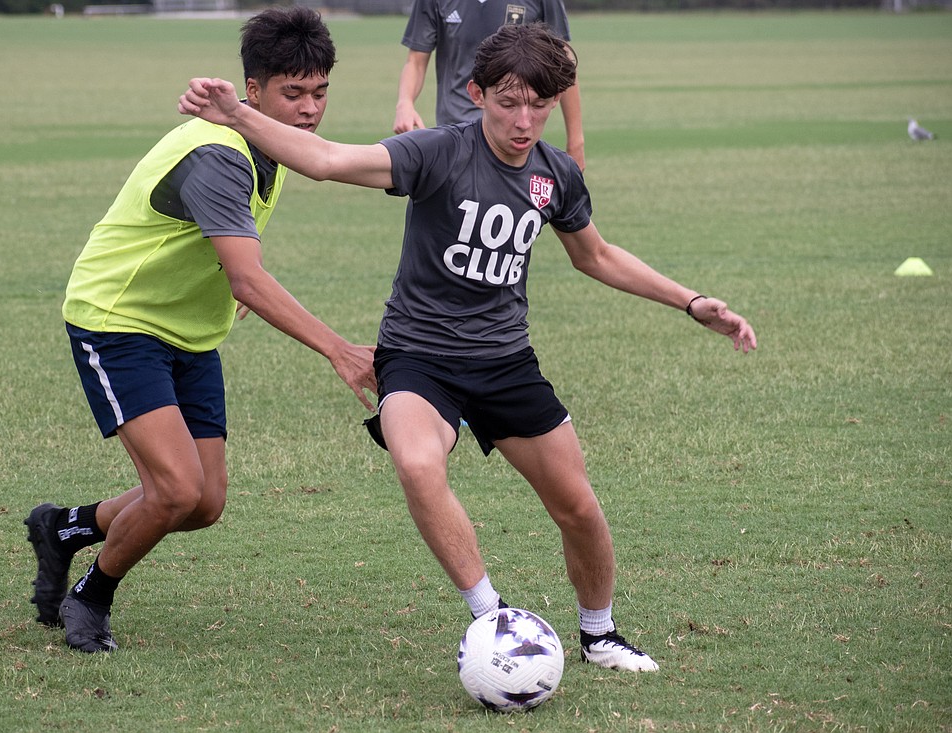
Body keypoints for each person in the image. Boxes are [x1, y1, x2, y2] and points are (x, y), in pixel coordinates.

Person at [178, 22, 757, 672]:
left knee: (580, 507)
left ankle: (600, 634)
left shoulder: (554, 174)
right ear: (475, 93)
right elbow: (327, 160)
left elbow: (596, 256)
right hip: (418, 357)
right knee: (419, 463)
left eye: (539, 104)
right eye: (508, 102)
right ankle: (494, 618)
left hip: (506, 362)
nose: (524, 119)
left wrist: (690, 301)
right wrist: (235, 113)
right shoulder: (437, 153)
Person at [24, 7, 376, 653]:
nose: (308, 109)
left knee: (203, 501)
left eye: (319, 92)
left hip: (188, 329)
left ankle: (65, 528)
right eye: (291, 93)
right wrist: (339, 349)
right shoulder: (219, 153)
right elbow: (246, 275)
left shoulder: (270, 144)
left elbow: (235, 250)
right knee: (176, 488)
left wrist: (233, 275)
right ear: (253, 91)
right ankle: (91, 595)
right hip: (118, 318)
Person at [393, 0, 585, 170]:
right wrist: (405, 103)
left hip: (515, 131)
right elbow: (416, 61)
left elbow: (562, 66)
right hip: (457, 132)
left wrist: (576, 142)